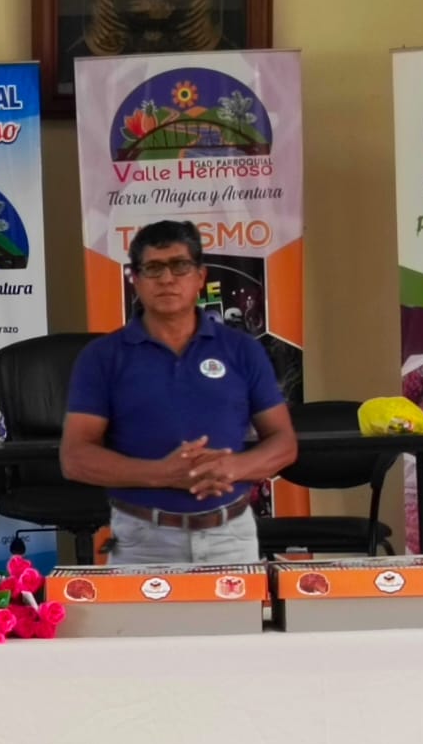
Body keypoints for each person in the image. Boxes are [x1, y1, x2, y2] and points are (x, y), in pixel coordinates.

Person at [61, 220, 297, 564]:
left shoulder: (242, 349)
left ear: (200, 277)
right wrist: (163, 474)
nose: (167, 279)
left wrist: (232, 467)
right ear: (135, 279)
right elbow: (75, 458)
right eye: (153, 268)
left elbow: (284, 442)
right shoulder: (102, 357)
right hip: (141, 543)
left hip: (230, 539)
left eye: (180, 266)